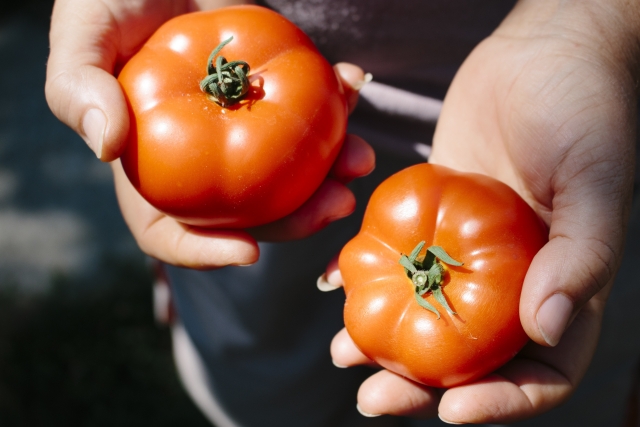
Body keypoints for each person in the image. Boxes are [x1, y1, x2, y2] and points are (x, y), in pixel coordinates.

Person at [45, 0, 640, 425]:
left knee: (555, 366)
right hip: (223, 65)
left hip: (531, 133)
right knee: (265, 385)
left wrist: (597, 19)